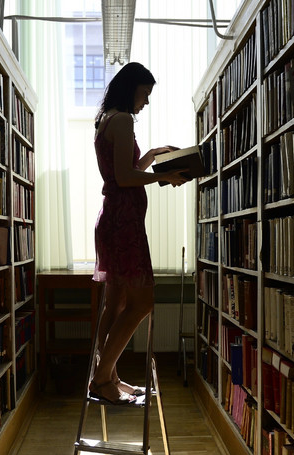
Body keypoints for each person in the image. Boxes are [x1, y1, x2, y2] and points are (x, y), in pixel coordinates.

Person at [89, 62, 190, 405]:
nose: (145, 102)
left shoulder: (108, 118)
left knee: (115, 303)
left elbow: (124, 170)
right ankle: (103, 377)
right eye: (145, 94)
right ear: (132, 87)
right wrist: (166, 177)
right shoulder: (123, 119)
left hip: (115, 220)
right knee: (142, 302)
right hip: (124, 224)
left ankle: (106, 377)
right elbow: (125, 178)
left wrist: (153, 154)